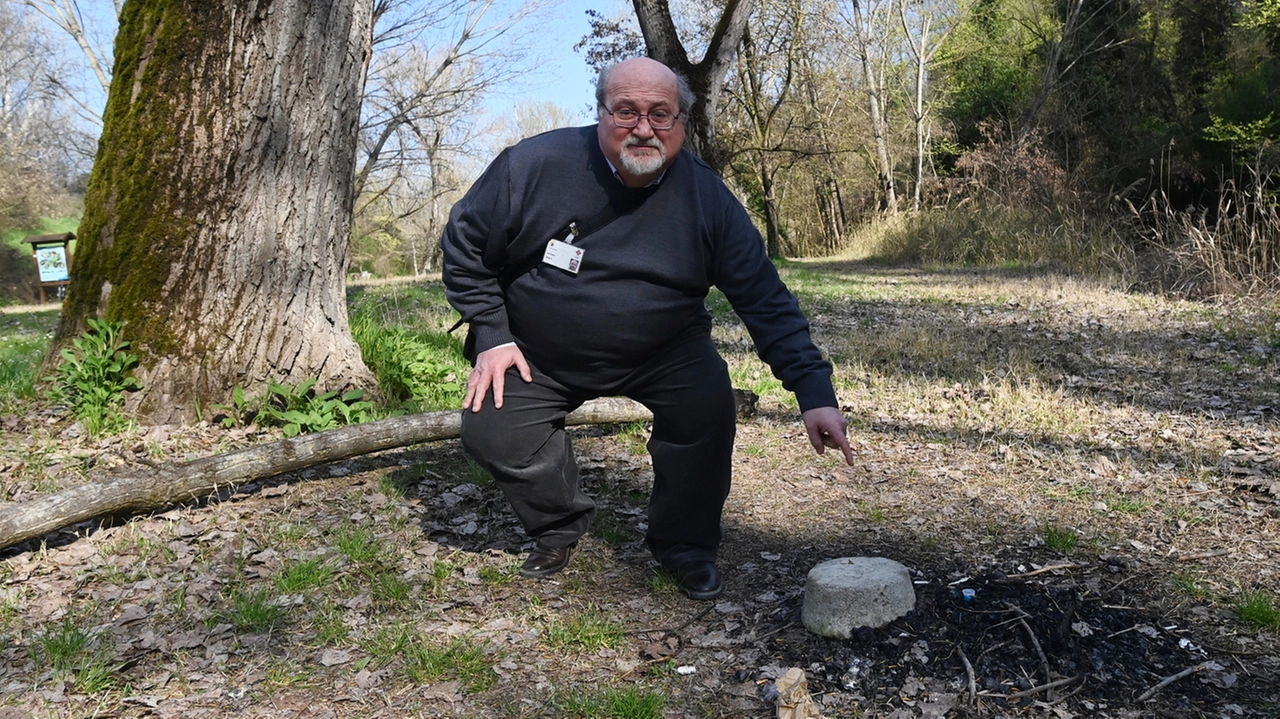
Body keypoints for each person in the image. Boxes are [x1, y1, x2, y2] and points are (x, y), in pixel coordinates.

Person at [440, 57, 853, 600]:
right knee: (491, 429)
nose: (643, 128)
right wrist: (492, 335)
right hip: (536, 350)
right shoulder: (534, 165)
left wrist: (814, 392)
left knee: (707, 410)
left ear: (683, 122)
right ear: (600, 113)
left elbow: (765, 299)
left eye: (661, 114)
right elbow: (463, 245)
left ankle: (686, 545)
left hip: (666, 349)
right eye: (627, 111)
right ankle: (557, 524)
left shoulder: (708, 200)